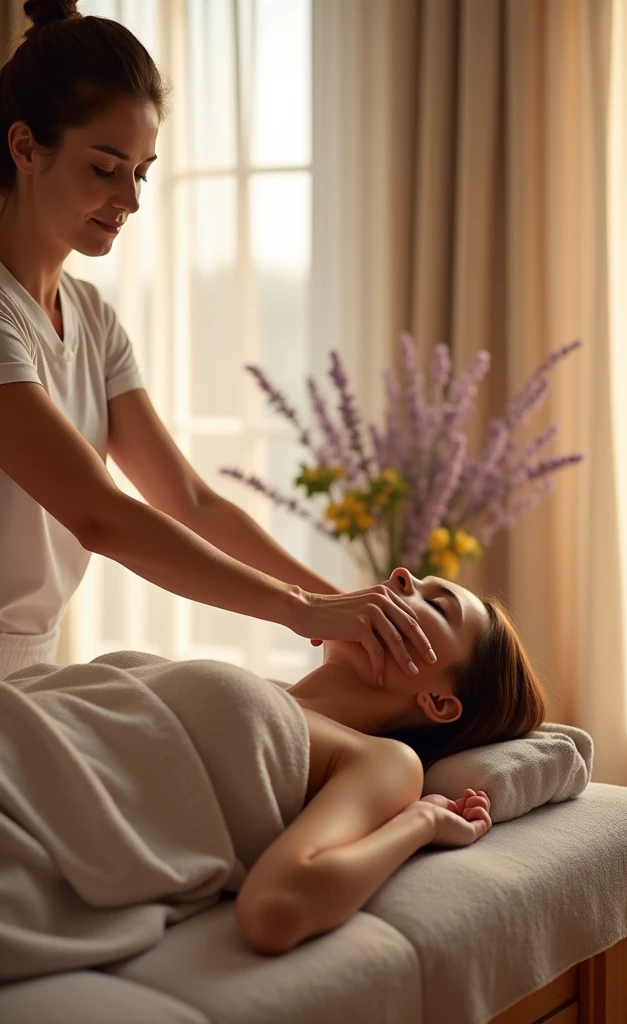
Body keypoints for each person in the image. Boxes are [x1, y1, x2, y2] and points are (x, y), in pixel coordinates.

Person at [0, 0, 436, 682]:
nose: (132, 200)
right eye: (106, 167)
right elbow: (101, 516)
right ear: (26, 147)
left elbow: (189, 500)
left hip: (30, 679)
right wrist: (301, 610)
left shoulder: (90, 316)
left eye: (140, 172)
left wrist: (336, 603)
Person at [237, 567, 548, 954]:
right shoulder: (257, 689)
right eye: (418, 580)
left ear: (437, 701)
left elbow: (275, 912)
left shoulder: (384, 761)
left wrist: (423, 820)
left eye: (435, 605)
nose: (402, 575)